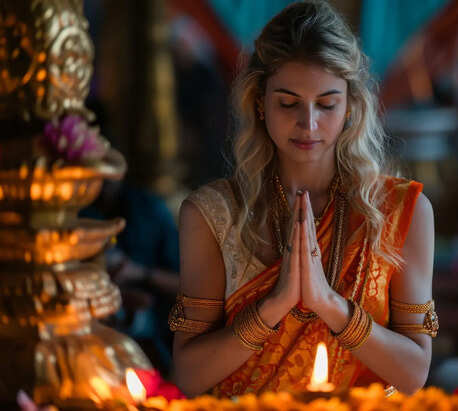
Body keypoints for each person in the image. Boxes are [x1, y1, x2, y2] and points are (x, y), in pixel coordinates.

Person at [170, 0, 436, 397]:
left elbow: (414, 374)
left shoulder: (400, 212)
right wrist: (272, 308)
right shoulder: (213, 214)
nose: (308, 124)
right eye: (288, 103)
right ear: (259, 104)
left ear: (350, 107)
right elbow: (189, 376)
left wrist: (330, 305)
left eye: (327, 104)